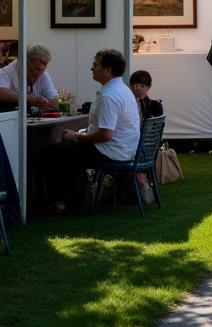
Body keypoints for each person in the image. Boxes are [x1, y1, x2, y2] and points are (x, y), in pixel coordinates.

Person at [41, 49, 140, 213]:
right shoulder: (123, 90)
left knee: (50, 151)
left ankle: (58, 203)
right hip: (124, 149)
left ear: (108, 70)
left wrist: (78, 136)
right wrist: (80, 135)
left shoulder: (109, 96)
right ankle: (73, 198)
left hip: (111, 151)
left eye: (95, 64)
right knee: (64, 149)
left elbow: (106, 135)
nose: (91, 68)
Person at [129, 70, 164, 204]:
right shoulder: (128, 104)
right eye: (134, 85)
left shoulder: (154, 106)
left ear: (148, 87)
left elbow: (157, 132)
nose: (137, 88)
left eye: (141, 85)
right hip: (146, 150)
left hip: (144, 149)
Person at [0, 44, 58, 109]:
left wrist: (60, 102)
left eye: (44, 65)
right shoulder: (7, 72)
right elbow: (1, 91)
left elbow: (54, 99)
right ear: (27, 61)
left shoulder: (43, 74)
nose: (41, 68)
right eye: (36, 69)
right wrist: (29, 98)